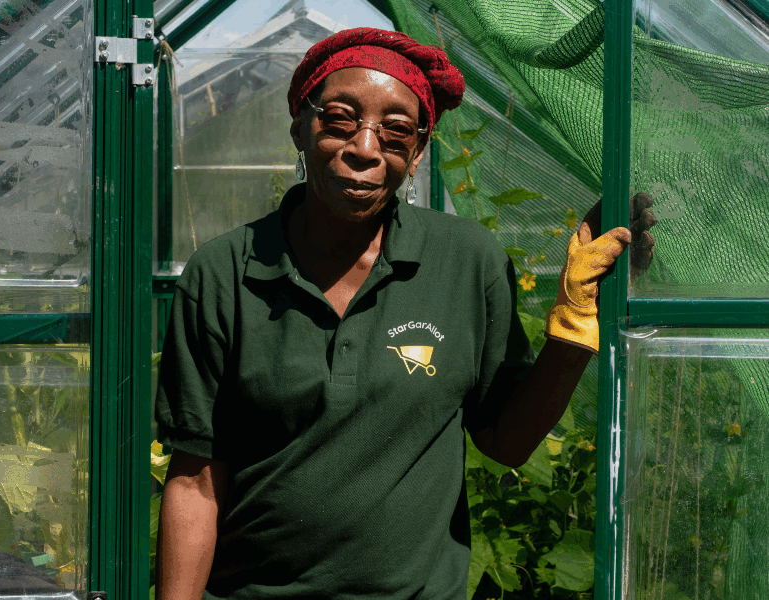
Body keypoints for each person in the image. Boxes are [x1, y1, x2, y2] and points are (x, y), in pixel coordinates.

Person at [155, 27, 647, 600]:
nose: (365, 147)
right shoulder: (223, 273)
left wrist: (572, 321)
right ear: (299, 125)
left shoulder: (467, 263)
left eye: (395, 132)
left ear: (416, 153)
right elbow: (195, 481)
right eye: (340, 118)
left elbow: (506, 442)